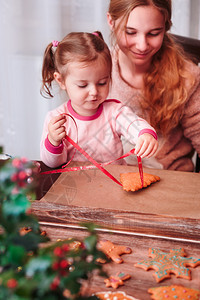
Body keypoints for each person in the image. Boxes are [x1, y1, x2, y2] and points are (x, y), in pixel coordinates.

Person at [40, 31, 158, 168]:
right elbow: (52, 163)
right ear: (61, 81)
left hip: (114, 183)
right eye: (83, 85)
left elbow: (133, 124)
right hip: (78, 185)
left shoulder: (114, 112)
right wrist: (53, 142)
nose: (94, 92)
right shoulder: (56, 120)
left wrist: (144, 135)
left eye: (102, 83)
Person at [107, 0, 200, 171]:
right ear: (111, 22)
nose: (142, 45)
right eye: (130, 32)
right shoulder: (96, 73)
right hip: (112, 177)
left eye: (154, 33)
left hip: (172, 178)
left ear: (165, 27)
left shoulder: (187, 77)